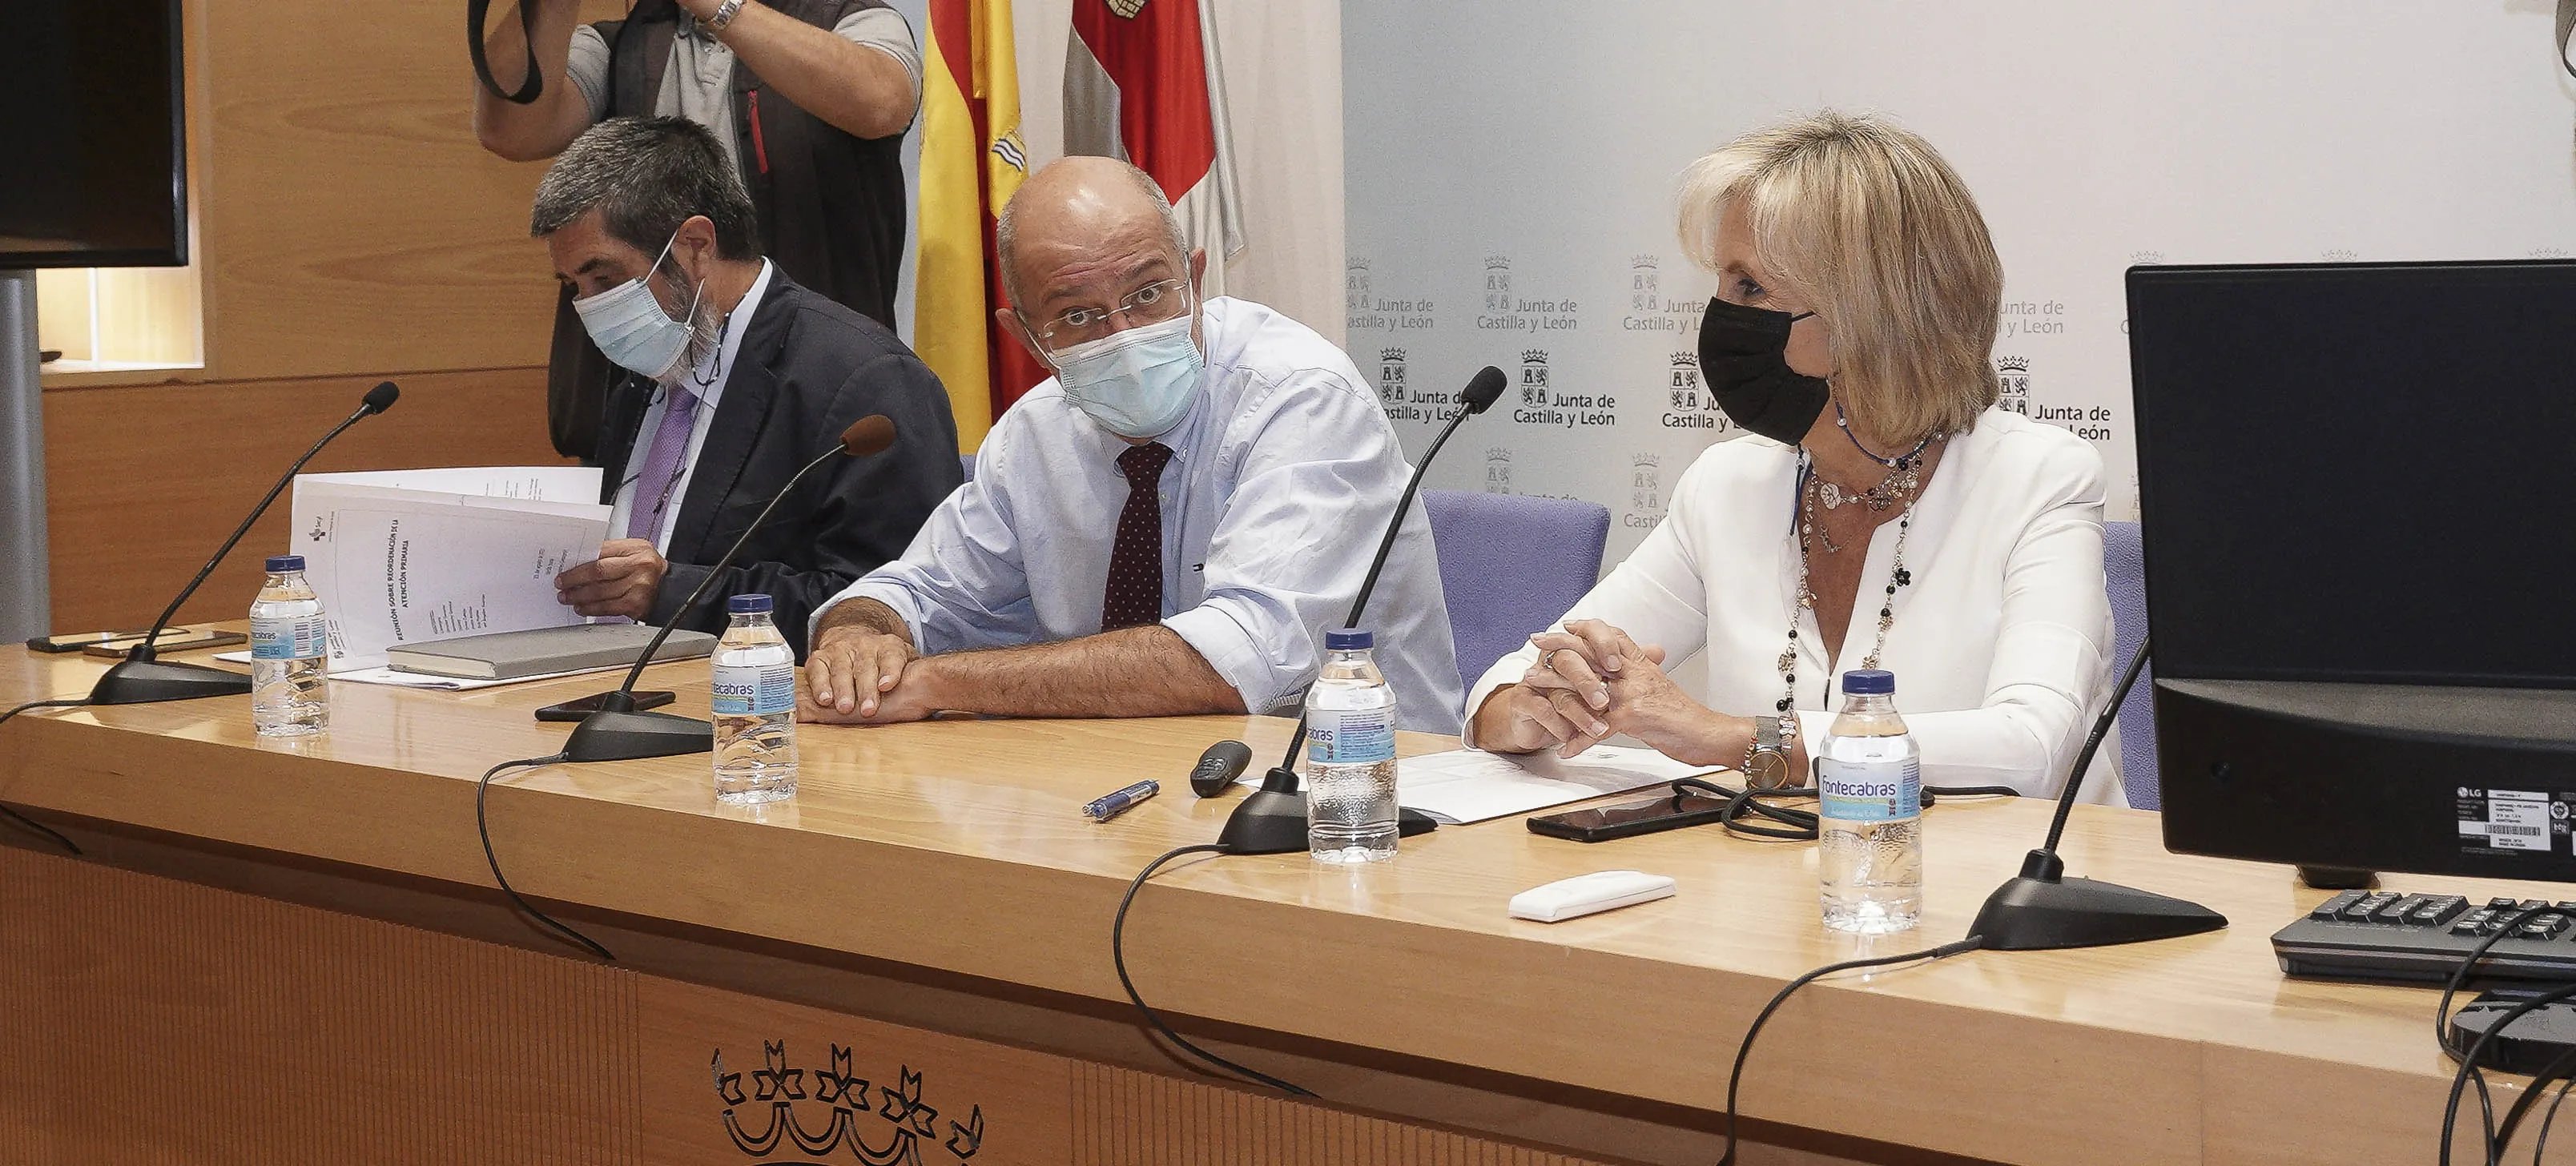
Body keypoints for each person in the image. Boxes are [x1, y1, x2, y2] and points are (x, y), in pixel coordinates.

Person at [1467, 111, 2118, 800]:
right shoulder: (1728, 485)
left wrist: (1721, 735)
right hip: (1780, 865)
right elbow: (1502, 687)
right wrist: (1537, 707)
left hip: (2001, 867)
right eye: (1723, 284)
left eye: (1749, 288)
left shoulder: (2039, 480)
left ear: (1872, 316)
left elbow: (2030, 748)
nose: (1719, 316)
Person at [799, 157, 1463, 732]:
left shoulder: (1301, 397)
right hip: (1119, 782)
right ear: (1028, 338)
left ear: (1195, 280)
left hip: (1355, 791)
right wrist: (860, 634)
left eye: (1147, 293)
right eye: (1077, 315)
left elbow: (1235, 660)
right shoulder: (1034, 433)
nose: (1124, 334)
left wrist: (938, 682)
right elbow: (919, 593)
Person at [532, 117, 960, 657]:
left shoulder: (866, 383)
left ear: (695, 246)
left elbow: (896, 607)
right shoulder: (639, 380)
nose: (590, 307)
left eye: (606, 279)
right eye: (574, 286)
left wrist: (673, 592)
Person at [472, 0, 921, 459]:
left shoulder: (850, 18)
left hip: (812, 399)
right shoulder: (622, 43)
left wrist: (717, 7)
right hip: (645, 400)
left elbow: (883, 101)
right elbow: (509, 129)